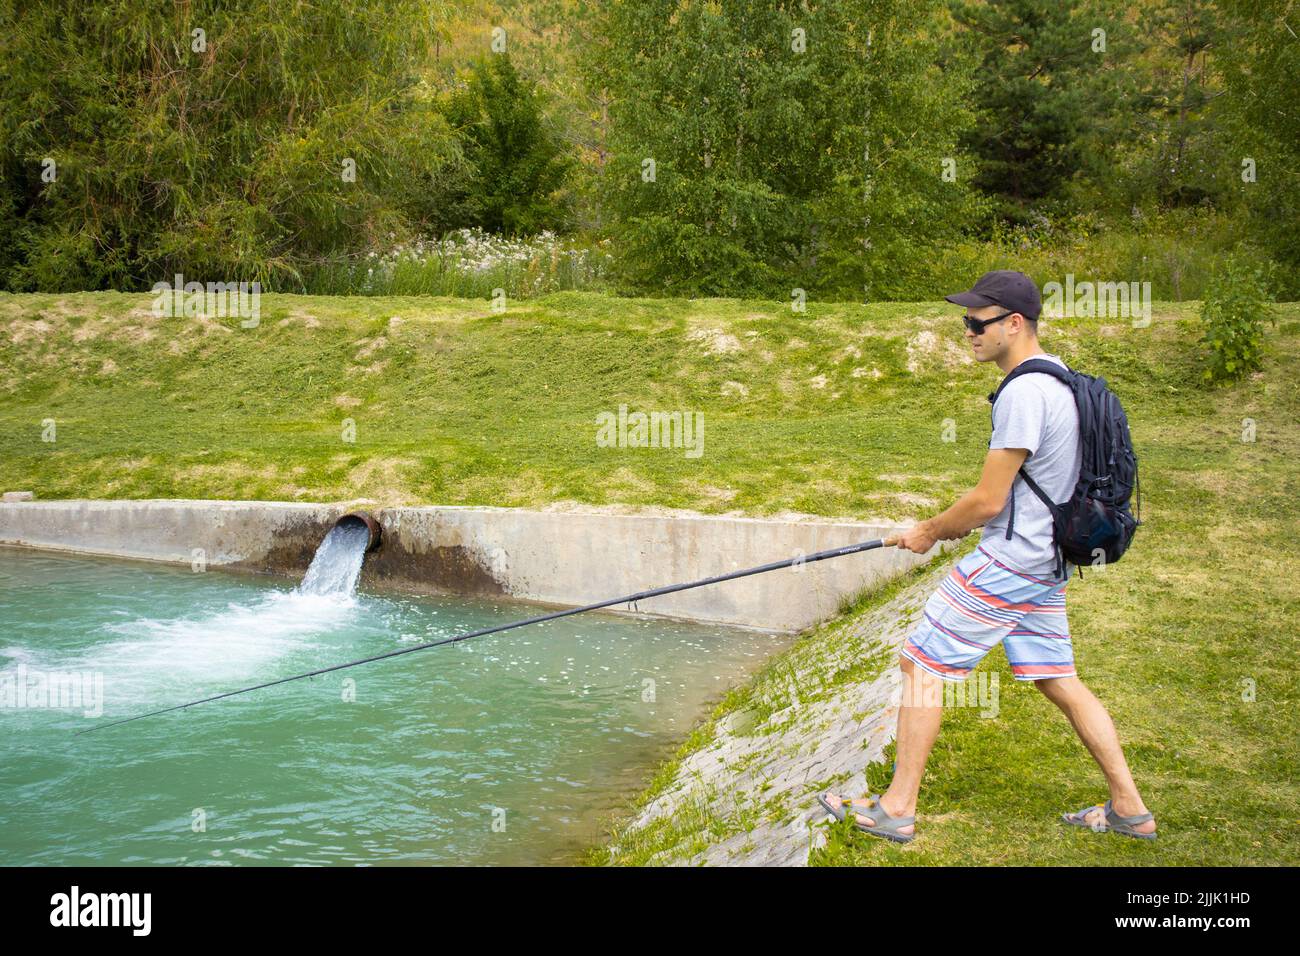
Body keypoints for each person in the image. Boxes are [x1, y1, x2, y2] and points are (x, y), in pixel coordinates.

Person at [819, 270, 1156, 843]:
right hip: (1047, 563)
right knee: (1058, 677)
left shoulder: (1025, 391)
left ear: (1015, 324)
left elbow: (986, 500)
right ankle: (1130, 808)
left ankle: (897, 808)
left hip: (1011, 561)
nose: (969, 332)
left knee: (921, 666)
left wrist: (927, 530)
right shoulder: (1062, 381)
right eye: (965, 321)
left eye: (978, 323)